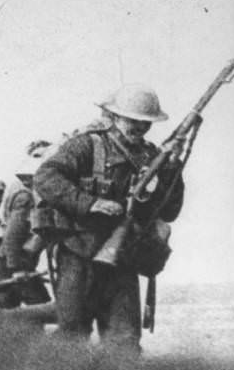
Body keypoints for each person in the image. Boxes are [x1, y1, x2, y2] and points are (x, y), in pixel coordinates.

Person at [33, 83, 185, 352]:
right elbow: (46, 177)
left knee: (124, 342)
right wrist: (91, 203)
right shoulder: (86, 145)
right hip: (79, 253)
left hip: (123, 260)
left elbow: (168, 211)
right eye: (133, 121)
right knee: (72, 337)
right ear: (115, 117)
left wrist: (172, 169)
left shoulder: (152, 156)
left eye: (145, 124)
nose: (139, 128)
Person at [0, 143, 53, 308]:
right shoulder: (25, 195)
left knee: (8, 303)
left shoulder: (19, 188)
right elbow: (13, 233)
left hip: (7, 255)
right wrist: (16, 267)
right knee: (38, 302)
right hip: (14, 257)